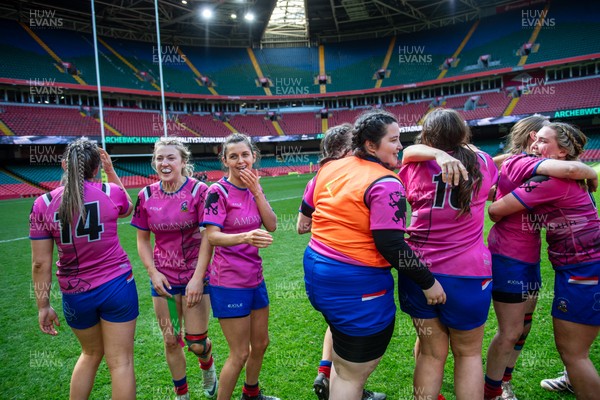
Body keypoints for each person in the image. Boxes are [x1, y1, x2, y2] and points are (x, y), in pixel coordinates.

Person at [303, 109, 446, 400]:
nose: (400, 146)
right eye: (393, 140)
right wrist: (429, 283)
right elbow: (391, 245)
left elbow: (307, 213)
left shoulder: (330, 167)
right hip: (356, 285)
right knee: (351, 374)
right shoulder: (386, 182)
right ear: (371, 145)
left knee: (343, 367)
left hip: (319, 275)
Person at [483, 116, 599, 400]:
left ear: (561, 151)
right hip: (572, 266)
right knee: (520, 329)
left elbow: (496, 209)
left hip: (582, 271)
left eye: (544, 141)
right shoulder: (562, 174)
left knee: (574, 352)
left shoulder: (550, 179)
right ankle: (498, 390)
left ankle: (497, 389)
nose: (536, 144)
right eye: (535, 139)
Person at [398, 108, 497, 400]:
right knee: (468, 355)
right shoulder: (483, 162)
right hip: (468, 273)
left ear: (427, 136)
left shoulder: (415, 165)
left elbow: (406, 155)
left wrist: (435, 153)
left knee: (430, 354)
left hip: (420, 270)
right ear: (463, 133)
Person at [30, 138, 137, 400]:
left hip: (75, 293)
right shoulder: (110, 192)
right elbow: (128, 209)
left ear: (65, 165)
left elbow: (40, 263)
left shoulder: (43, 203)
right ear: (95, 167)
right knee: (120, 362)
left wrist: (43, 305)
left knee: (90, 354)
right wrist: (110, 171)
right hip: (117, 285)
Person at [297, 123, 386, 400]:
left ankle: (328, 373)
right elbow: (303, 225)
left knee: (339, 327)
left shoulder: (323, 175)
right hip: (351, 272)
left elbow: (301, 225)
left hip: (321, 270)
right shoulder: (353, 175)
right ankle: (344, 384)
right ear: (348, 149)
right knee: (352, 344)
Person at [131, 137, 218, 400]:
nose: (165, 163)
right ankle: (182, 395)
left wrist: (197, 278)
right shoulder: (145, 196)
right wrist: (152, 272)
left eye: (171, 158)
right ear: (154, 162)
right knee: (171, 340)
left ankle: (208, 365)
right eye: (160, 158)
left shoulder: (200, 191)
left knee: (196, 343)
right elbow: (142, 239)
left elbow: (208, 237)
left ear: (182, 162)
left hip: (195, 276)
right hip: (163, 280)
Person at [201, 133, 279, 400]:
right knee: (240, 352)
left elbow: (272, 225)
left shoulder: (255, 187)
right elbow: (212, 236)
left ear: (253, 156)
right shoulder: (217, 192)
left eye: (245, 154)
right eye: (233, 156)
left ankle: (251, 394)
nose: (240, 160)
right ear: (225, 161)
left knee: (260, 344)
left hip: (255, 278)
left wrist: (257, 192)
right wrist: (244, 237)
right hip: (229, 282)